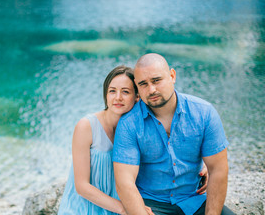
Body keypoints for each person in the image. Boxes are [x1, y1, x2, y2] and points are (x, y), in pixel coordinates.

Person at [58, 65, 208, 215]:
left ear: (137, 96)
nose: (118, 97)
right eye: (112, 91)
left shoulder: (140, 127)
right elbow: (82, 186)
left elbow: (171, 150)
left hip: (126, 204)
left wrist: (201, 167)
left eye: (125, 92)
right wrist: (124, 208)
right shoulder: (86, 127)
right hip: (87, 208)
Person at [113, 53, 234, 215]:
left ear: (172, 76)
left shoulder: (204, 113)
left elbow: (218, 169)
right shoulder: (129, 124)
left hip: (194, 200)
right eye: (143, 84)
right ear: (137, 85)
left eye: (156, 80)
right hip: (149, 204)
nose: (152, 89)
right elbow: (124, 182)